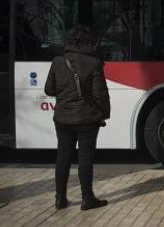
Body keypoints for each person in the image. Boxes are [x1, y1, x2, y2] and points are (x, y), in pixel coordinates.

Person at [44, 25, 111, 211]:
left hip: (63, 118)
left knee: (63, 156)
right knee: (85, 158)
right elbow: (100, 94)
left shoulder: (58, 61)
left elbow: (49, 89)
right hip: (87, 119)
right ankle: (87, 199)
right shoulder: (94, 63)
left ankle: (60, 199)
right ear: (87, 42)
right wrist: (104, 113)